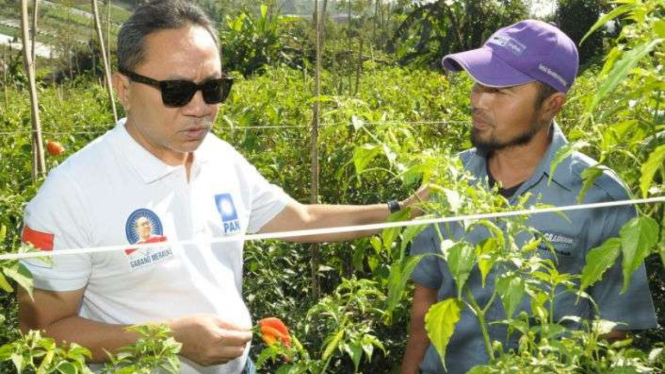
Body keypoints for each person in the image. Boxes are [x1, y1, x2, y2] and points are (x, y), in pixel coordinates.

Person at [17, 1, 423, 374]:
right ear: (123, 88)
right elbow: (42, 337)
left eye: (214, 89)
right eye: (176, 92)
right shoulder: (71, 193)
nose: (199, 108)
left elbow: (300, 219)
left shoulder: (219, 157)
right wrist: (171, 339)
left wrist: (398, 211)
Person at [401, 20, 657, 374]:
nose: (478, 101)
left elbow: (613, 331)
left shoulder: (600, 196)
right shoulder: (448, 180)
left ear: (552, 105)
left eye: (500, 91)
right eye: (478, 84)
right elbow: (425, 302)